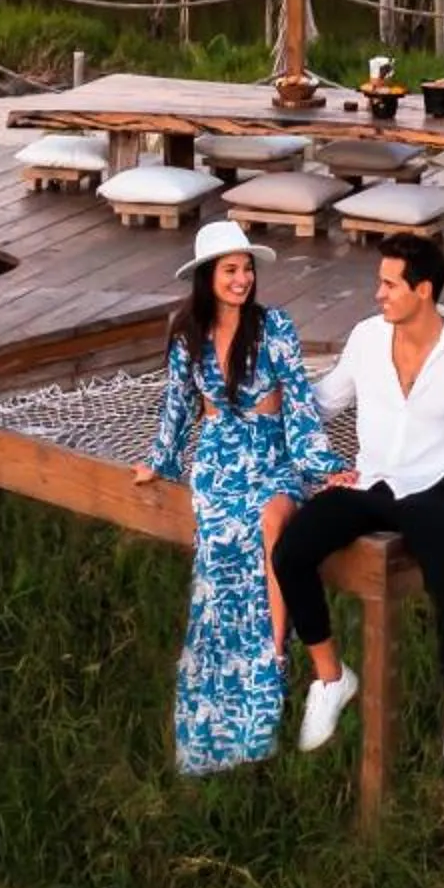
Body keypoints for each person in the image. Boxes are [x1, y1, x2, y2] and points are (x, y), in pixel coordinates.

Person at [272, 232, 444, 799]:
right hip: (371, 482)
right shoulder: (365, 338)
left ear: (423, 291)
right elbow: (327, 398)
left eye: (389, 283)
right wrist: (270, 398)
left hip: (436, 491)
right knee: (291, 550)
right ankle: (331, 678)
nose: (377, 293)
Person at [135, 219, 344, 775]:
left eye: (246, 269)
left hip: (273, 456)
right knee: (222, 576)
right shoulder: (187, 335)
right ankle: (219, 732)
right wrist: (159, 462)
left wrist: (324, 469)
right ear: (208, 277)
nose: (243, 279)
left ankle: (274, 656)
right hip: (218, 462)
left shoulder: (274, 326)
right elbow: (177, 407)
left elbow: (298, 402)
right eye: (231, 270)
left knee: (275, 522)